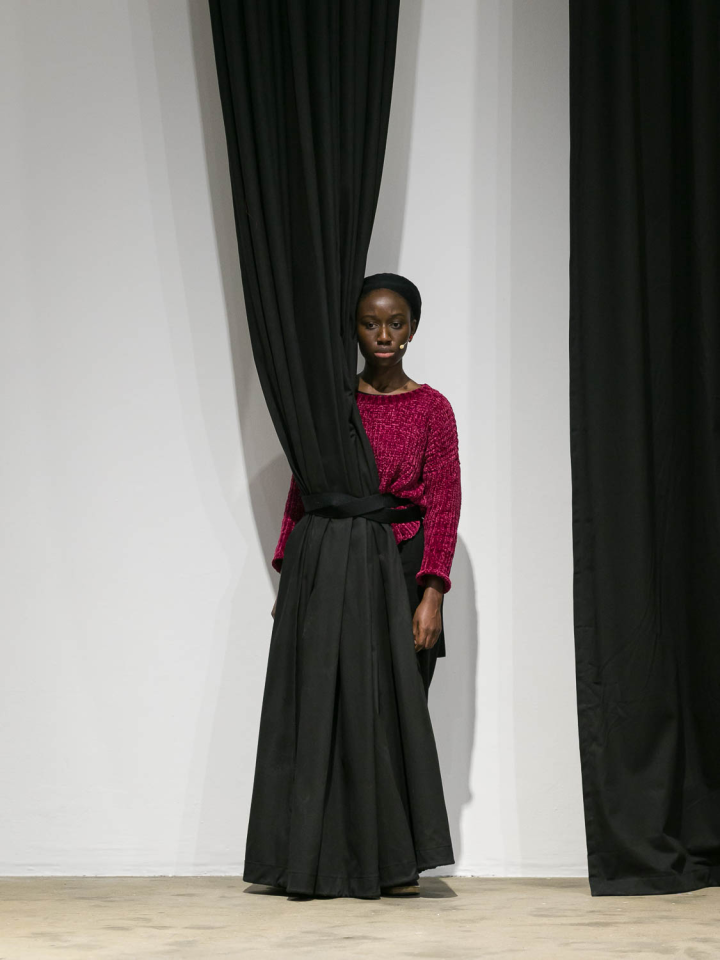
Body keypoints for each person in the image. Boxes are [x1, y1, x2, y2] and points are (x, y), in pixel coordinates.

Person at [271, 272, 462, 699]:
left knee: (402, 699)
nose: (384, 336)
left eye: (396, 323)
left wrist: (433, 596)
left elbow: (445, 505)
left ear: (412, 328)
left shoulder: (432, 408)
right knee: (334, 699)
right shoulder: (335, 406)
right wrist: (289, 580)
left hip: (403, 563)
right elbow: (303, 492)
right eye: (370, 324)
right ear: (353, 329)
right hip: (334, 562)